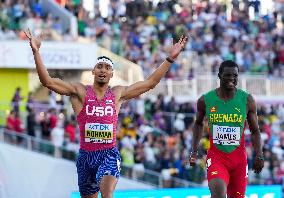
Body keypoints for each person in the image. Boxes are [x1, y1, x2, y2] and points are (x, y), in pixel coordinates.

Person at [24, 29, 188, 198]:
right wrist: (36, 52)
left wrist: (170, 59)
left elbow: (149, 83)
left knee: (107, 193)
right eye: (99, 66)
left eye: (107, 67)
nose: (103, 70)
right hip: (86, 157)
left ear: (111, 74)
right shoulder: (79, 91)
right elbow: (47, 82)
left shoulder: (117, 94)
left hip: (108, 154)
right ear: (93, 71)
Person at [189, 60, 264, 198]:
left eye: (235, 76)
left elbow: (255, 131)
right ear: (219, 75)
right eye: (227, 75)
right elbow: (198, 124)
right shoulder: (205, 100)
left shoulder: (247, 100)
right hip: (217, 158)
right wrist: (194, 150)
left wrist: (259, 154)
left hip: (239, 161)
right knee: (218, 195)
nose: (231, 79)